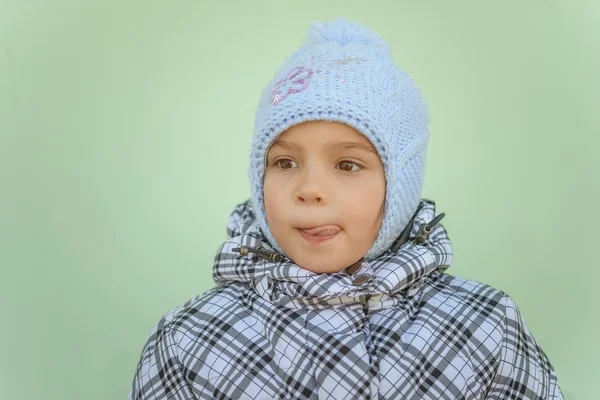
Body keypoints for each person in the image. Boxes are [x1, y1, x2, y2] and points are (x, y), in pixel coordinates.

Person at [128, 18, 563, 399]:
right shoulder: (190, 339)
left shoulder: (482, 326)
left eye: (347, 164)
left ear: (399, 186)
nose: (310, 189)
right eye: (285, 162)